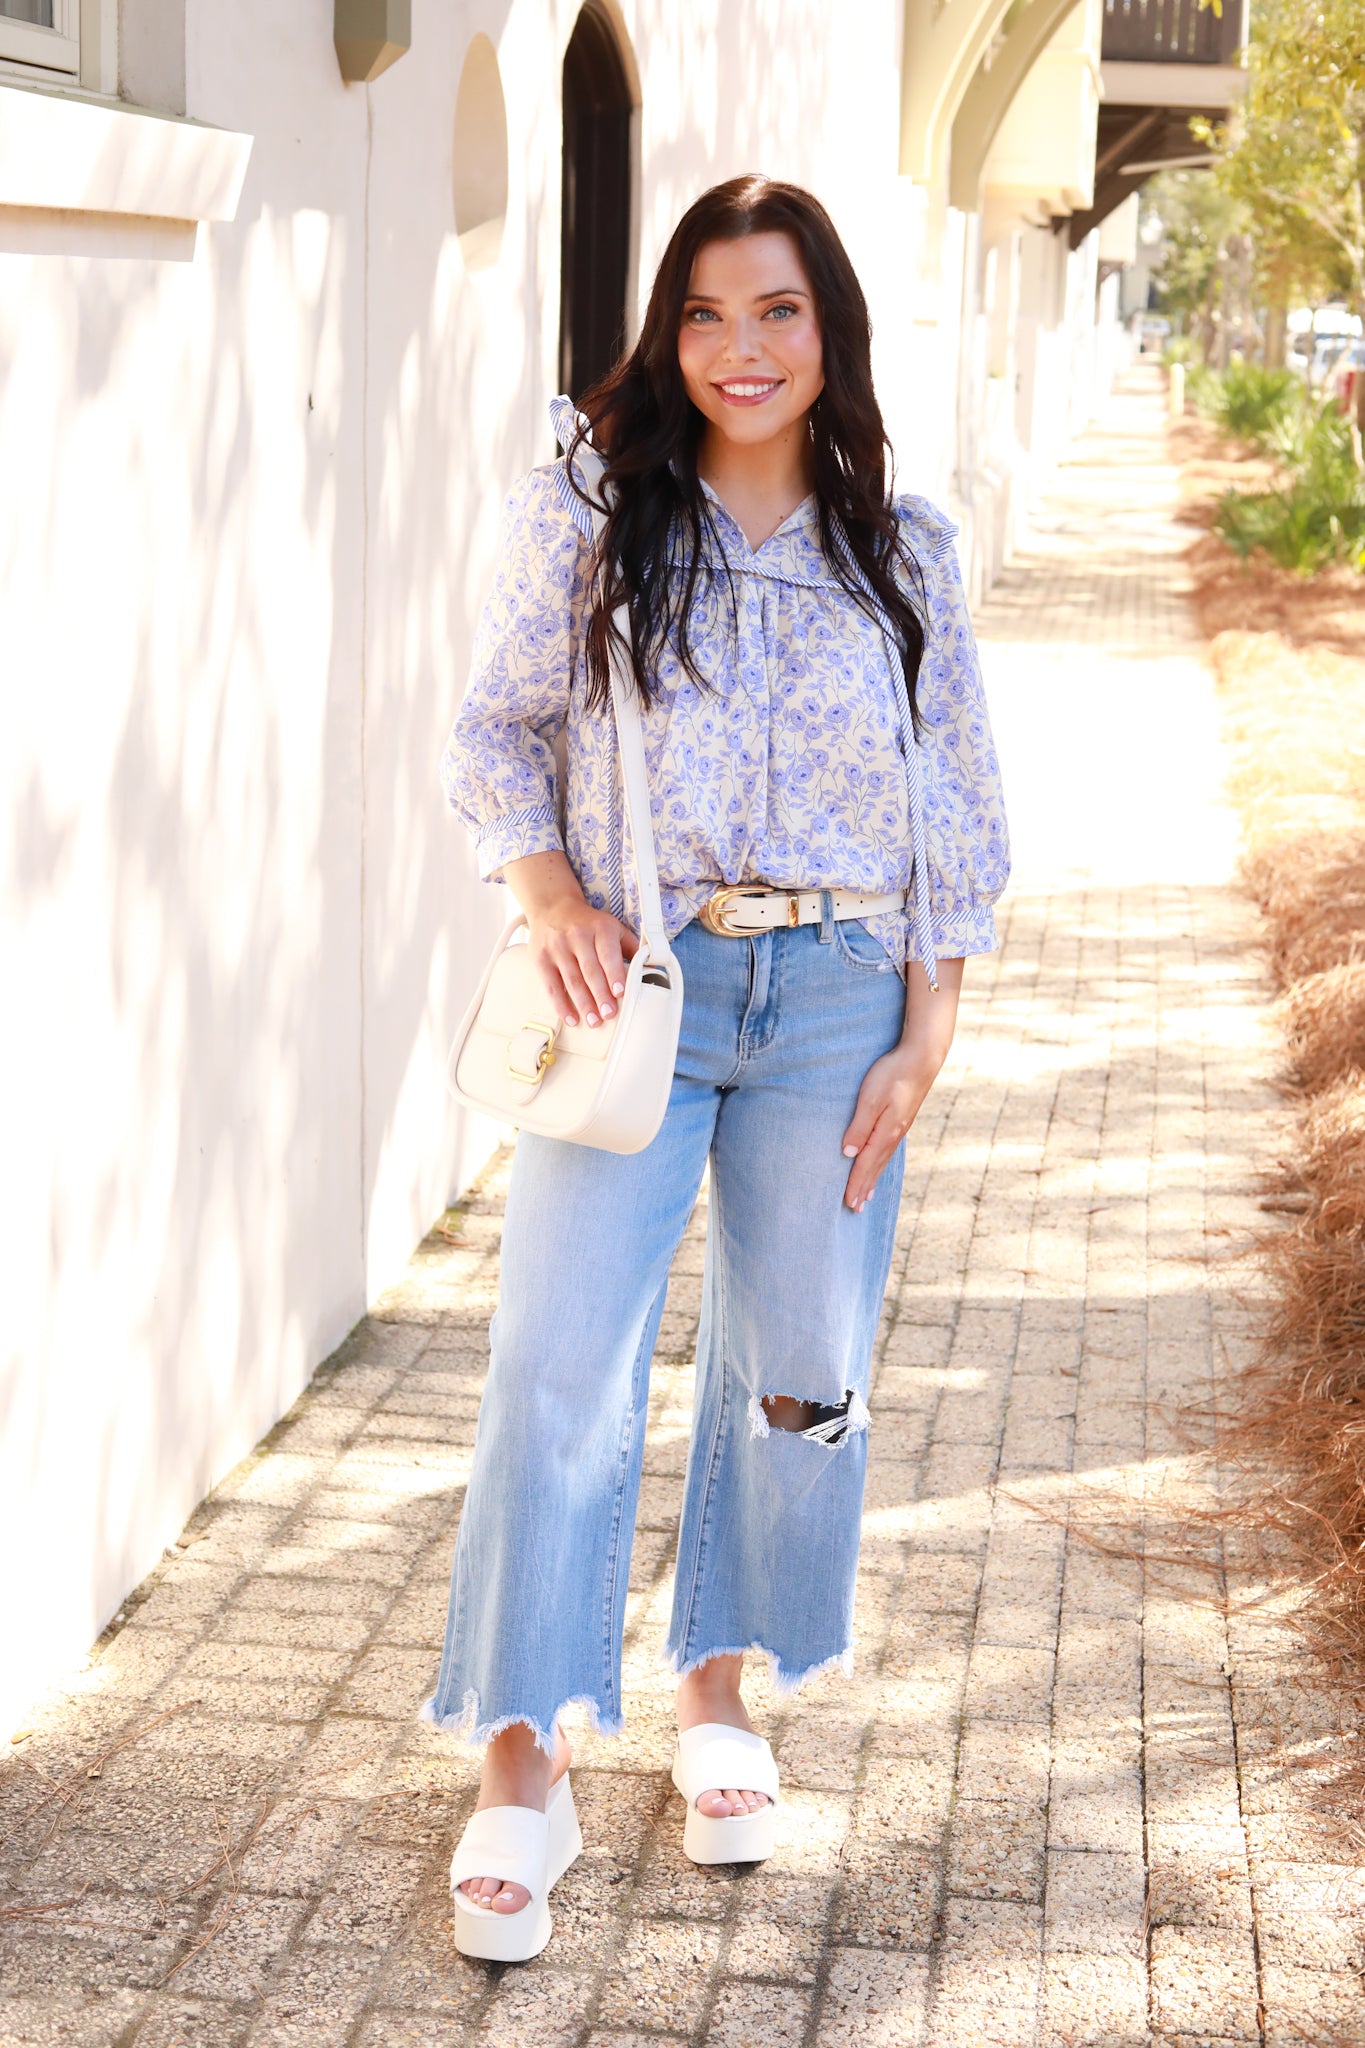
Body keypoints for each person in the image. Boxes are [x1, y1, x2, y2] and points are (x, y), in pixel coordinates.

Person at [427, 173, 1009, 1963]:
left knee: (799, 1370)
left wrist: (934, 1020)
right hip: (643, 1001)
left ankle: (715, 1691)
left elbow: (954, 790)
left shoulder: (905, 548)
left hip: (837, 998)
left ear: (825, 329)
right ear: (665, 335)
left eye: (774, 312)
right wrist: (545, 899)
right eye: (702, 313)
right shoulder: (593, 515)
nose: (738, 350)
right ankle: (524, 1756)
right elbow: (497, 731)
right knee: (558, 1367)